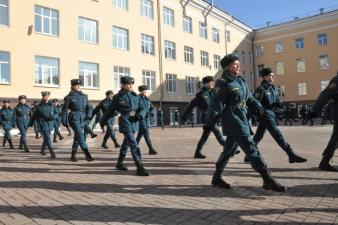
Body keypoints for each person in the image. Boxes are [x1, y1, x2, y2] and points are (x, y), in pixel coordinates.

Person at [206, 53, 285, 192]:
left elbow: (249, 98)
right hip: (233, 120)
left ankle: (216, 176)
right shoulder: (223, 83)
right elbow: (215, 104)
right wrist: (210, 122)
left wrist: (258, 106)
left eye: (238, 63)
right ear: (227, 67)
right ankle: (267, 178)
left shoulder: (240, 81)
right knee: (251, 148)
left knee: (228, 150)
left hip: (243, 118)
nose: (238, 65)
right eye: (234, 64)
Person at [246, 67, 306, 163]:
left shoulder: (272, 87)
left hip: (271, 114)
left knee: (258, 136)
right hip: (265, 116)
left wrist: (280, 104)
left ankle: (248, 154)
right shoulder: (261, 89)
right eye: (271, 75)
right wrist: (258, 111)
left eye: (273, 75)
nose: (273, 77)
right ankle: (291, 154)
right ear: (265, 77)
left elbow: (276, 99)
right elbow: (254, 101)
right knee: (278, 135)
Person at [101, 76, 150, 176]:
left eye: (132, 84)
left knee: (126, 143)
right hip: (125, 121)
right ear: (122, 85)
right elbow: (109, 111)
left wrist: (140, 115)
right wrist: (102, 122)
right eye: (128, 84)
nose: (131, 86)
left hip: (134, 121)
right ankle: (139, 167)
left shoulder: (135, 96)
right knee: (133, 143)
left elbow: (143, 108)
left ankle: (119, 163)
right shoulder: (117, 97)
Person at [182, 75, 226, 159]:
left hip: (214, 117)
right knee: (218, 133)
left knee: (205, 136)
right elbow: (190, 106)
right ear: (205, 84)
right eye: (210, 82)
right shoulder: (201, 94)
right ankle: (230, 149)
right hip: (207, 117)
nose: (212, 84)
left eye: (213, 82)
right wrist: (184, 116)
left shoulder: (214, 92)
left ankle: (197, 153)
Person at [308, 71, 338, 171]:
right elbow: (325, 95)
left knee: (336, 139)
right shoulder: (336, 81)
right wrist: (314, 110)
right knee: (336, 139)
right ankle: (324, 162)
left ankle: (324, 162)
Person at [62, 79, 94, 162]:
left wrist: (88, 117)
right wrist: (63, 120)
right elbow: (64, 110)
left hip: (82, 118)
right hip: (73, 118)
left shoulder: (84, 96)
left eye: (79, 85)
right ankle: (87, 155)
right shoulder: (68, 97)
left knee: (77, 137)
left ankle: (73, 155)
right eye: (76, 85)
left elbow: (89, 108)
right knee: (80, 135)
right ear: (72, 86)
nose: (78, 86)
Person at [29, 92, 56, 158]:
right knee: (47, 138)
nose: (47, 97)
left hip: (50, 124)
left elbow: (57, 113)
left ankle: (42, 150)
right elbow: (34, 116)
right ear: (43, 97)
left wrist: (53, 117)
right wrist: (31, 123)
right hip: (43, 123)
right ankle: (52, 151)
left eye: (48, 96)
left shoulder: (52, 105)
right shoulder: (39, 106)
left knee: (46, 138)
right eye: (45, 96)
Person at [136, 85, 157, 155]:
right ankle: (151, 149)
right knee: (146, 133)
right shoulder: (137, 98)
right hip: (140, 119)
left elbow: (151, 106)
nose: (145, 92)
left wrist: (152, 111)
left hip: (146, 119)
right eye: (144, 91)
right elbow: (135, 109)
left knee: (140, 133)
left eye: (146, 91)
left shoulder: (146, 99)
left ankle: (134, 146)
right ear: (140, 91)